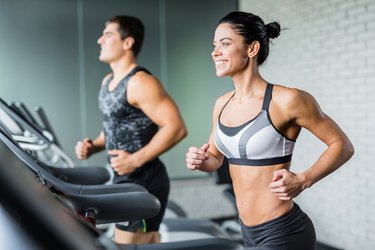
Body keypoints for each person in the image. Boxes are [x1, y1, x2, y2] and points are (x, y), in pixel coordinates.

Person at [185, 11, 354, 250]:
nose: (215, 52)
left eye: (225, 44)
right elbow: (214, 159)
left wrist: (303, 180)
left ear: (252, 49)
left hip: (284, 230)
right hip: (247, 231)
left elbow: (342, 145)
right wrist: (200, 160)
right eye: (214, 45)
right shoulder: (222, 103)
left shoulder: (287, 100)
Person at [75, 15, 187, 244]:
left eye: (108, 35)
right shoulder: (107, 81)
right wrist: (94, 146)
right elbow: (115, 128)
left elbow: (176, 127)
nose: (99, 40)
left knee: (128, 246)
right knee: (146, 243)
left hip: (143, 181)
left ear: (128, 43)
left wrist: (135, 160)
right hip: (124, 180)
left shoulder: (140, 82)